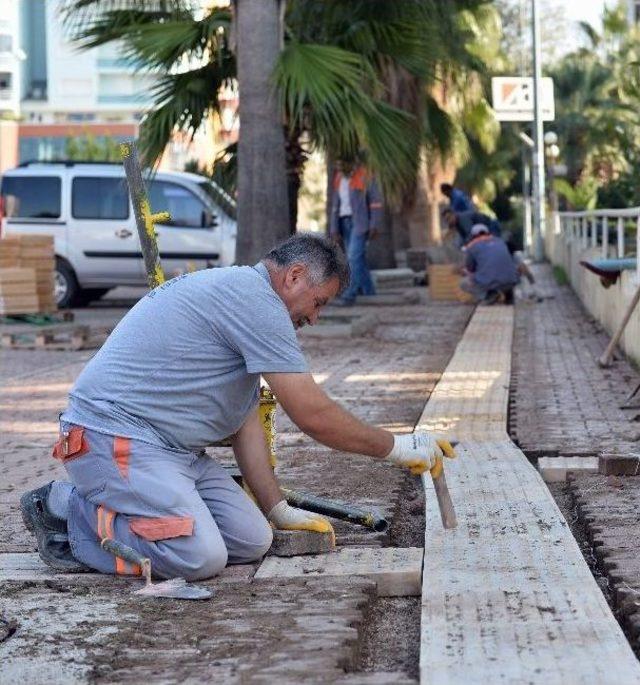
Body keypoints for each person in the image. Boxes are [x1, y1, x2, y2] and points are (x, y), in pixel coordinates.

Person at [21, 234, 455, 581]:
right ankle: (68, 512)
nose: (315, 317)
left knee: (251, 540)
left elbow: (246, 422)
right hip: (111, 439)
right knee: (199, 557)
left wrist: (277, 508)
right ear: (295, 277)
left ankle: (138, 509)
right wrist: (398, 447)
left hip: (172, 451)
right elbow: (313, 415)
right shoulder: (255, 302)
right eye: (319, 302)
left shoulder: (247, 303)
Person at [329, 160, 383, 306]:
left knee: (353, 257)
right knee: (358, 259)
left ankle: (349, 295)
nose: (338, 165)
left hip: (360, 223)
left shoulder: (364, 174)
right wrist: (334, 228)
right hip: (344, 222)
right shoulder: (339, 178)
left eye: (342, 161)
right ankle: (369, 292)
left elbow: (375, 201)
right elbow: (335, 205)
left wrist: (374, 225)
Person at [460, 224, 519, 305]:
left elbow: (470, 268)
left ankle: (489, 295)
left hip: (491, 283)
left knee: (464, 283)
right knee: (503, 272)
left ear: (473, 236)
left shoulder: (472, 246)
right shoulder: (500, 241)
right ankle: (509, 295)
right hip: (511, 280)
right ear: (487, 232)